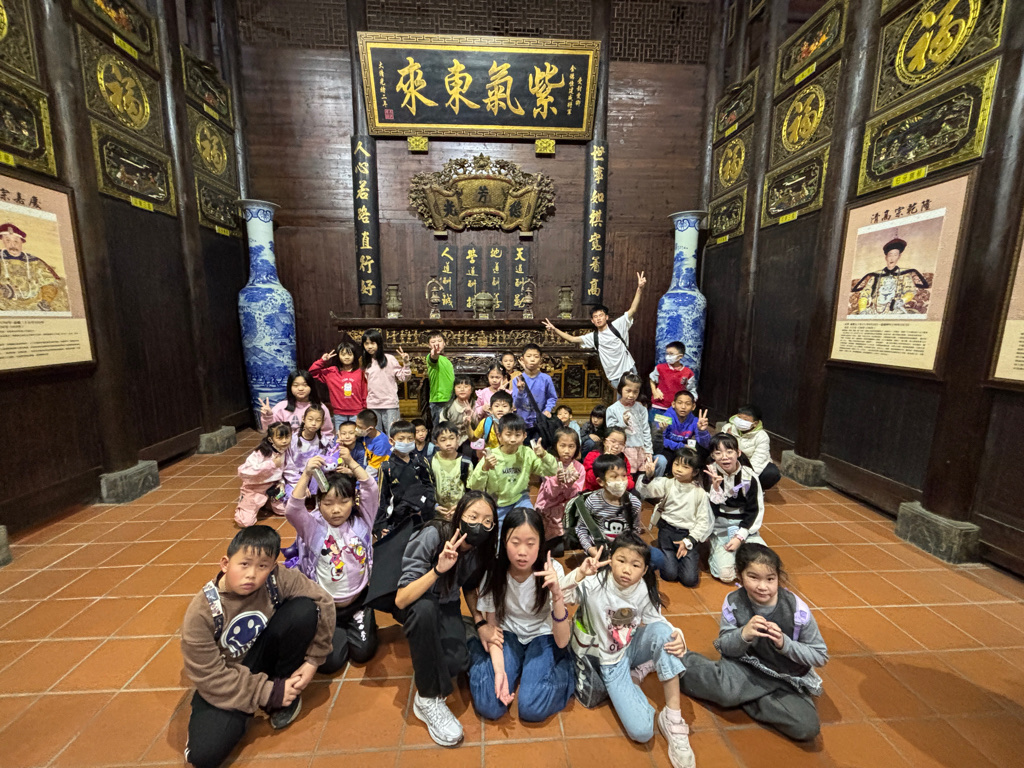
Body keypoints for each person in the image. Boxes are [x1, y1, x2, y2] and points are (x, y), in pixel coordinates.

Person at [181, 525, 335, 768]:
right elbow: (209, 675)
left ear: (272, 567)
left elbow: (323, 601)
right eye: (244, 564)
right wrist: (267, 692)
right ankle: (264, 697)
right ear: (225, 563)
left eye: (262, 566)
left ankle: (282, 681)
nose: (251, 574)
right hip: (229, 674)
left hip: (264, 651)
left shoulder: (277, 578)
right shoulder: (201, 613)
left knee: (304, 610)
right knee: (205, 756)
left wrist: (314, 659)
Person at [563, 533, 695, 768]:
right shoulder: (595, 583)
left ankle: (673, 718)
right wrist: (580, 574)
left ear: (644, 571)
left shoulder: (642, 588)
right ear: (610, 559)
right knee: (642, 731)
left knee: (666, 635)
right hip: (610, 662)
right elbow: (560, 596)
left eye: (635, 565)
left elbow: (656, 621)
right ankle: (637, 674)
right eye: (621, 560)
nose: (627, 570)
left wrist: (678, 633)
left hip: (630, 645)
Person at [681, 543, 827, 742]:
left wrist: (785, 644)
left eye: (770, 579)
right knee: (725, 690)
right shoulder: (734, 602)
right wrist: (743, 635)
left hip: (785, 677)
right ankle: (681, 661)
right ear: (739, 575)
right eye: (753, 577)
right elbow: (725, 646)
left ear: (778, 578)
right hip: (745, 667)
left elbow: (820, 655)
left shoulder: (797, 610)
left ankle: (741, 695)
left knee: (806, 727)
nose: (762, 586)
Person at [395, 492, 499, 747]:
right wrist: (438, 570)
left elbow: (470, 587)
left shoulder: (481, 549)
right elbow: (401, 599)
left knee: (456, 662)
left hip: (447, 603)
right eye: (472, 517)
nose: (479, 525)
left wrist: (480, 622)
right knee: (424, 612)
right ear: (458, 515)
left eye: (487, 521)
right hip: (417, 601)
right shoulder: (434, 535)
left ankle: (445, 635)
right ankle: (427, 698)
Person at [469, 508, 575, 722]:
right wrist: (499, 671)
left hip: (543, 636)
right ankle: (476, 654)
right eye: (515, 542)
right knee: (490, 706)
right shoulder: (495, 571)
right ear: (504, 542)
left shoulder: (552, 571)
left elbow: (562, 641)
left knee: (531, 709)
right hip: (507, 635)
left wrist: (557, 595)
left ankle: (569, 671)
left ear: (541, 543)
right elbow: (493, 626)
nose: (522, 552)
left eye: (530, 543)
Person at [286, 454, 379, 674]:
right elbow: (293, 510)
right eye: (328, 503)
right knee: (329, 664)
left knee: (363, 653)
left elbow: (371, 489)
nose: (336, 510)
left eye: (344, 502)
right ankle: (334, 627)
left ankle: (362, 616)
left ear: (353, 501)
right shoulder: (313, 528)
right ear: (319, 503)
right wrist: (306, 474)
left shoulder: (362, 521)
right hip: (327, 607)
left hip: (358, 601)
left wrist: (353, 464)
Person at [542, 271, 647, 388]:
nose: (598, 318)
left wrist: (640, 289)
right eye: (595, 317)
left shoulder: (617, 325)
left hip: (628, 369)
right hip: (614, 376)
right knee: (621, 399)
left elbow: (632, 310)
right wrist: (554, 329)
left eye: (601, 315)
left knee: (633, 397)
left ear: (606, 317)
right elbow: (572, 339)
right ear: (592, 321)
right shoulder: (593, 337)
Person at [637, 449, 712, 587]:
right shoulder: (668, 483)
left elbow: (703, 521)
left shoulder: (699, 493)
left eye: (685, 467)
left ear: (695, 472)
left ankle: (688, 555)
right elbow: (646, 491)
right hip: (667, 530)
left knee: (689, 580)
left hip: (687, 534)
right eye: (676, 464)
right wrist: (648, 476)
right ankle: (666, 551)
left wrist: (689, 541)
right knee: (669, 574)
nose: (679, 469)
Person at [467, 413, 558, 526]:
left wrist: (544, 455)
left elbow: (551, 471)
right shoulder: (490, 455)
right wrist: (485, 467)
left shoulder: (527, 453)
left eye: (517, 435)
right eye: (508, 434)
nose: (513, 439)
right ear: (499, 436)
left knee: (531, 523)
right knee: (499, 534)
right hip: (497, 504)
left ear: (524, 436)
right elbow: (474, 486)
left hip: (521, 500)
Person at [703, 433, 766, 583]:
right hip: (719, 528)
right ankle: (717, 548)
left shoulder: (749, 477)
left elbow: (756, 509)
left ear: (738, 453)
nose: (724, 457)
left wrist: (740, 536)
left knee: (764, 564)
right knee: (726, 575)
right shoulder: (709, 474)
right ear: (712, 455)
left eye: (729, 451)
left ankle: (741, 553)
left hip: (745, 527)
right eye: (718, 453)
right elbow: (707, 508)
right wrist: (715, 489)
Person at [575, 454, 647, 561]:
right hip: (600, 549)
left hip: (623, 550)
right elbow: (581, 528)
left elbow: (635, 530)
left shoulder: (634, 503)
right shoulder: (593, 501)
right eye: (614, 477)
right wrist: (589, 549)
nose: (621, 480)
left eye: (624, 475)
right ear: (600, 481)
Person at [535, 427, 585, 557]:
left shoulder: (579, 468)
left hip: (563, 514)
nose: (567, 451)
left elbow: (574, 497)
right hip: (546, 510)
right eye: (562, 446)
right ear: (555, 446)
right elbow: (550, 494)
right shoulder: (549, 463)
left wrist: (569, 485)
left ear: (577, 448)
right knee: (540, 548)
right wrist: (557, 480)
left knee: (558, 551)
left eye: (571, 446)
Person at [851, 236, 930, 316]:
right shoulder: (876, 275)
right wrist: (862, 309)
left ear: (899, 256)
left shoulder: (905, 274)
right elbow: (865, 293)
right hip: (874, 310)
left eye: (895, 255)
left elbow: (910, 291)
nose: (892, 258)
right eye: (890, 255)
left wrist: (902, 300)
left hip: (895, 310)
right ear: (886, 257)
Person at [606, 372, 665, 478]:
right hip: (624, 449)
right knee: (628, 475)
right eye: (628, 391)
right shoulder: (612, 409)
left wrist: (648, 450)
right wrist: (623, 423)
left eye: (635, 392)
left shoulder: (641, 409)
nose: (631, 395)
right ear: (620, 389)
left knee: (642, 476)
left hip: (640, 448)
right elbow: (611, 431)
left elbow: (646, 430)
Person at [0, 222, 69, 312]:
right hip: (5, 304)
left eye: (16, 241)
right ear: (3, 241)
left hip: (34, 304)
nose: (12, 245)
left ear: (22, 241)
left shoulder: (34, 261)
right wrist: (2, 289)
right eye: (7, 241)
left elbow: (49, 282)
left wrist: (45, 301)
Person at [234, 422, 291, 527]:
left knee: (285, 511)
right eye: (280, 438)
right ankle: (246, 500)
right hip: (254, 488)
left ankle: (267, 502)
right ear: (271, 439)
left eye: (287, 437)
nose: (284, 441)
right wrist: (271, 464)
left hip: (273, 487)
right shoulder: (260, 453)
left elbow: (285, 470)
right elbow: (243, 471)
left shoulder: (286, 451)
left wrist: (282, 482)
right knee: (245, 522)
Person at [360, 329, 411, 435]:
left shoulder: (390, 359)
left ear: (379, 343)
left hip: (390, 404)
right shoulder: (365, 362)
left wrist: (406, 363)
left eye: (372, 343)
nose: (369, 347)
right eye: (366, 343)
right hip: (373, 405)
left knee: (393, 434)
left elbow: (404, 378)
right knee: (375, 435)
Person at [258, 369, 333, 439]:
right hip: (287, 446)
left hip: (313, 446)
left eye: (305, 385)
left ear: (311, 387)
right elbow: (271, 431)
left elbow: (327, 433)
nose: (300, 389)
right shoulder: (281, 407)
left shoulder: (320, 407)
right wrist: (268, 417)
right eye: (296, 385)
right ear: (290, 387)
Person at [722, 404, 781, 491]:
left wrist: (744, 480)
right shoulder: (728, 428)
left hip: (751, 465)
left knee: (771, 473)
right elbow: (719, 451)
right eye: (739, 418)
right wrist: (728, 439)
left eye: (745, 420)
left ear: (755, 423)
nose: (740, 421)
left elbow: (758, 461)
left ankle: (755, 489)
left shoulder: (762, 436)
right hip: (733, 462)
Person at [310, 341, 366, 431]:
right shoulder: (331, 372)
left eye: (350, 354)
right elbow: (312, 373)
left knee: (357, 436)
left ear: (354, 356)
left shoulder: (360, 373)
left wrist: (364, 409)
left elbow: (364, 392)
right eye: (343, 354)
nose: (346, 357)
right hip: (339, 413)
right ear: (338, 356)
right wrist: (322, 361)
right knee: (340, 436)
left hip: (357, 412)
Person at [281, 404, 332, 497]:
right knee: (293, 496)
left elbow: (328, 460)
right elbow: (288, 466)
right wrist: (301, 484)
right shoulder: (292, 441)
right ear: (303, 419)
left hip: (317, 479)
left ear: (322, 422)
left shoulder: (324, 441)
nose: (314, 423)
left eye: (318, 420)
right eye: (310, 419)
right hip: (296, 479)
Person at [512, 343, 557, 444]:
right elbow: (516, 404)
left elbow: (552, 397)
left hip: (539, 422)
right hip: (522, 423)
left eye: (536, 356)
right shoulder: (517, 380)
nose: (532, 359)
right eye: (529, 356)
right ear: (522, 359)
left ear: (540, 360)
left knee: (538, 448)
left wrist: (548, 409)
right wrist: (520, 391)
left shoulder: (546, 379)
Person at [431, 422, 473, 518]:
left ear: (458, 438)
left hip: (461, 511)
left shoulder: (465, 462)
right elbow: (427, 487)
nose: (448, 443)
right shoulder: (431, 461)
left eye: (452, 438)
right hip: (438, 514)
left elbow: (472, 490)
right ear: (436, 443)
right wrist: (434, 506)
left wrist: (462, 506)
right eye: (443, 440)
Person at [650, 341, 696, 427]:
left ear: (680, 356)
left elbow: (691, 390)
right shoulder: (660, 368)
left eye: (671, 354)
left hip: (676, 410)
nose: (668, 356)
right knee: (658, 430)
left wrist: (689, 403)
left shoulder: (688, 373)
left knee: (674, 430)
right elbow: (652, 379)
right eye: (667, 354)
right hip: (659, 407)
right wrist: (655, 391)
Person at [661, 390, 711, 461]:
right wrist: (681, 446)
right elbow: (660, 440)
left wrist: (702, 431)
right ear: (673, 404)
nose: (683, 407)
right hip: (668, 449)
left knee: (703, 453)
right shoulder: (665, 417)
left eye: (687, 404)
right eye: (680, 403)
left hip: (684, 450)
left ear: (693, 406)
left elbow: (706, 445)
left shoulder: (695, 421)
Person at [582, 426, 634, 492]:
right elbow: (591, 479)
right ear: (604, 441)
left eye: (621, 444)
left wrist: (620, 484)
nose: (616, 446)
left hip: (617, 491)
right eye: (613, 441)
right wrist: (605, 460)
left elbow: (630, 481)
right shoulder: (592, 455)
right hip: (595, 492)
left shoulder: (623, 458)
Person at [441, 374, 479, 456]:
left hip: (471, 438)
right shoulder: (448, 407)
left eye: (466, 387)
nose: (462, 389)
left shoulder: (477, 405)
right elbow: (443, 426)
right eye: (458, 387)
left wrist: (472, 414)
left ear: (472, 389)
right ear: (454, 389)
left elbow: (480, 426)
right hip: (452, 437)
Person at [425, 330, 454, 426]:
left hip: (450, 398)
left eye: (439, 341)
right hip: (439, 400)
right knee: (439, 430)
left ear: (444, 343)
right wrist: (434, 354)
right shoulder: (431, 357)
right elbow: (433, 358)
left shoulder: (446, 360)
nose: (437, 343)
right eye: (433, 342)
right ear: (429, 345)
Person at [354, 409, 392, 477]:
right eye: (356, 425)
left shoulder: (381, 444)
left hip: (375, 477)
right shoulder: (366, 435)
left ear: (370, 429)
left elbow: (372, 471)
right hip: (365, 469)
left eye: (359, 427)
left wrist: (353, 472)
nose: (356, 429)